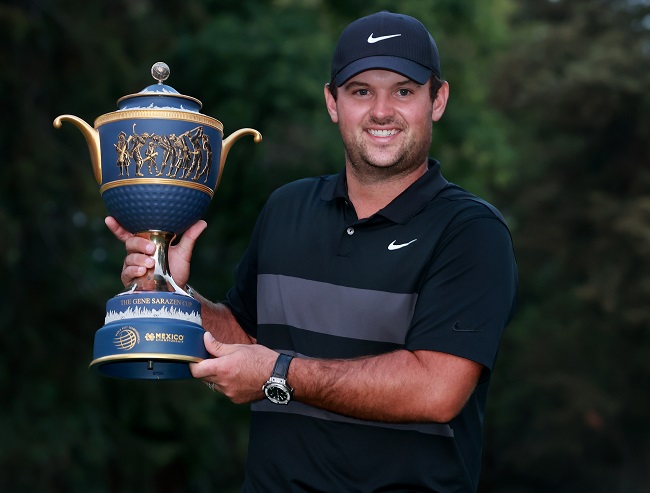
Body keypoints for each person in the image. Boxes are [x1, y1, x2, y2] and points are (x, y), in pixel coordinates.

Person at [107, 10, 517, 492]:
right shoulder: (287, 207)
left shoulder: (470, 231)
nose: (381, 111)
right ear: (332, 102)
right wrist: (173, 293)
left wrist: (278, 374)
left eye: (403, 91)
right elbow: (243, 341)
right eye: (361, 91)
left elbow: (436, 389)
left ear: (438, 99)